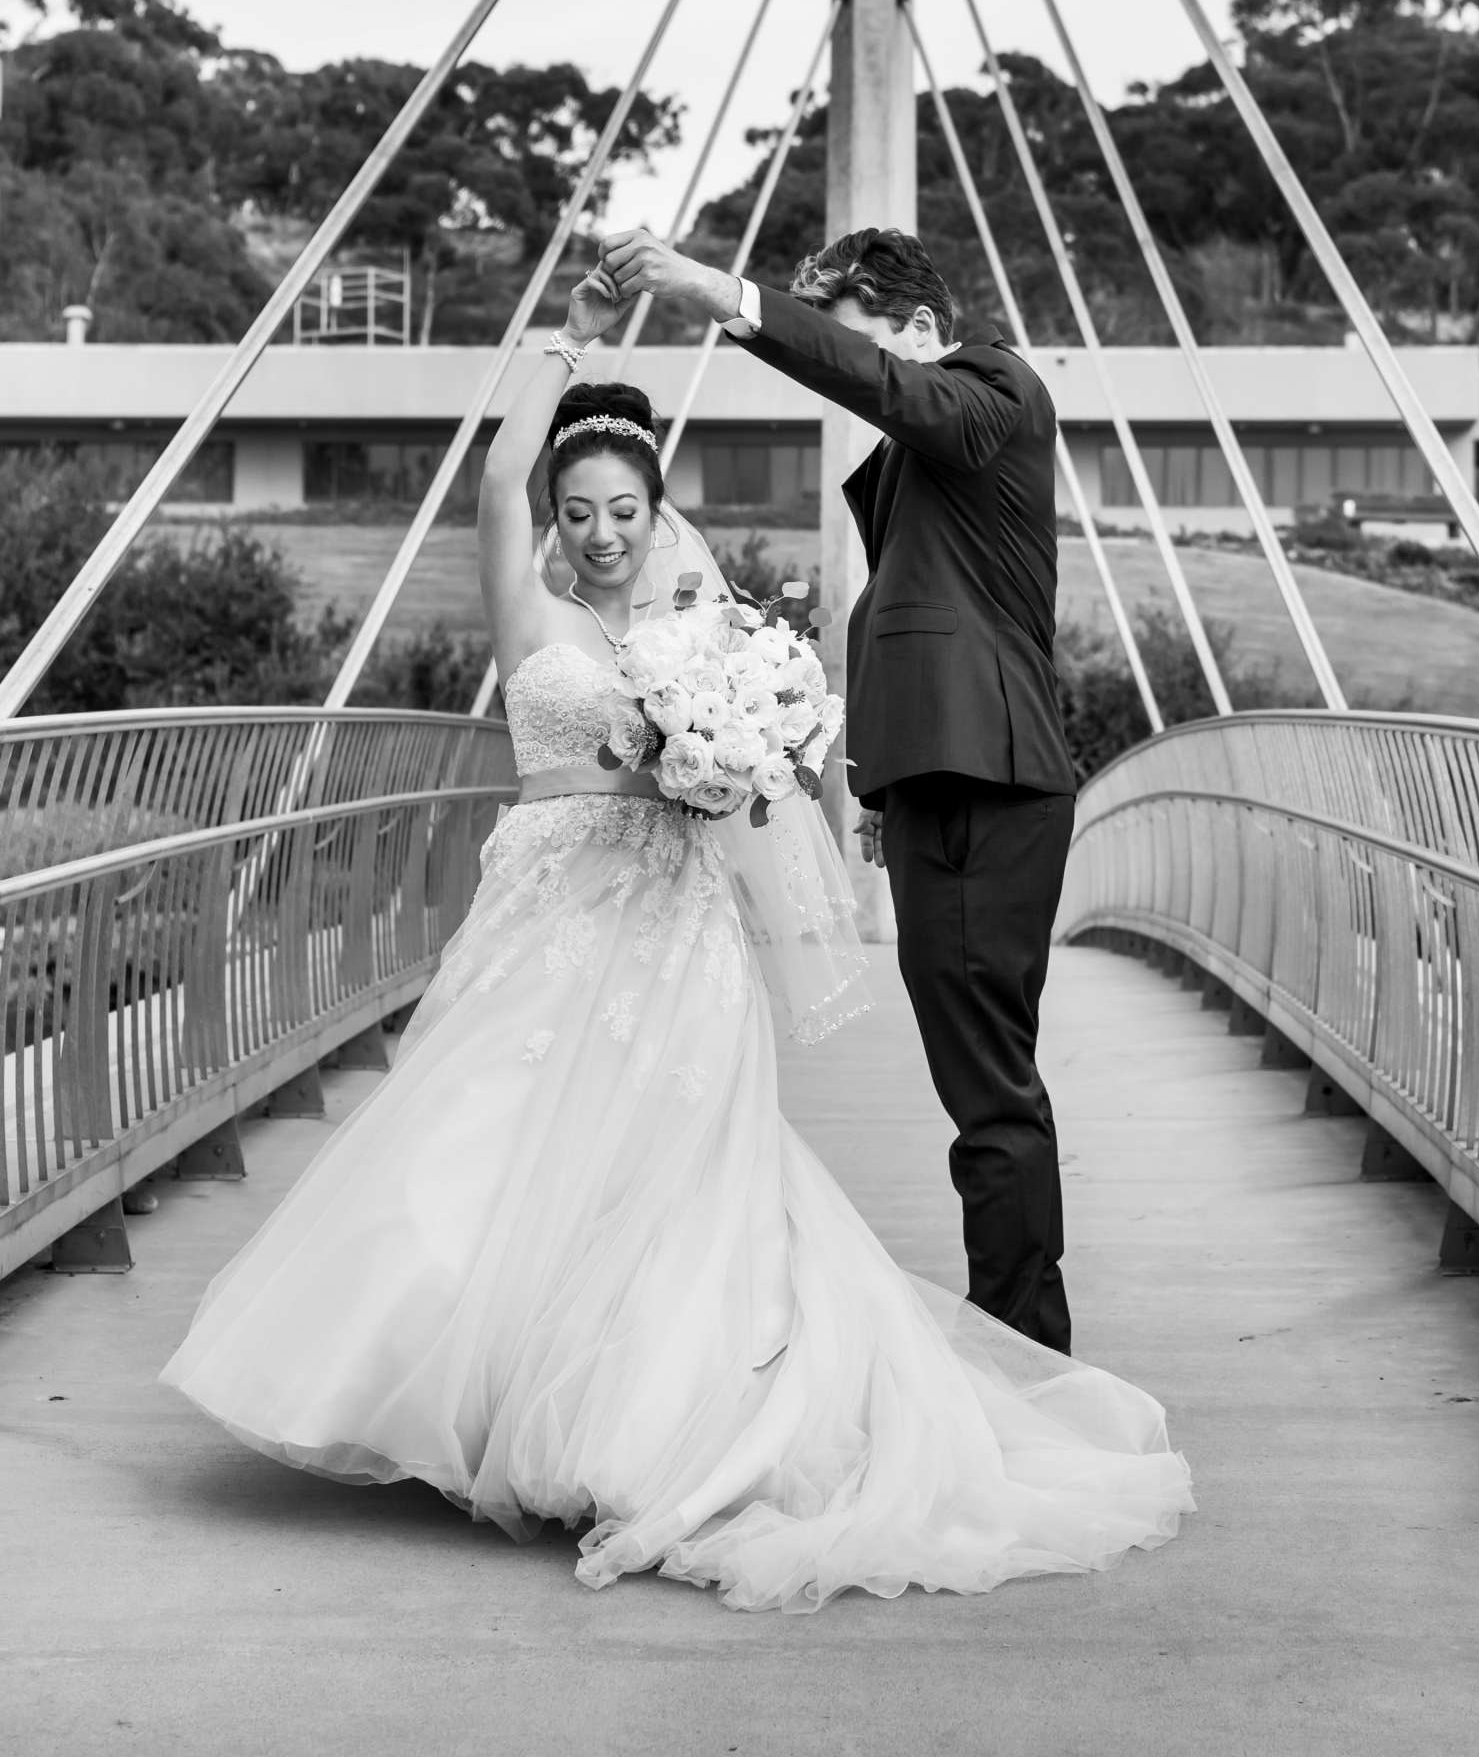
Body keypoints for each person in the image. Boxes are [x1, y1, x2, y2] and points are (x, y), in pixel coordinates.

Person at [162, 268, 1190, 1610]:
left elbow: (758, 747)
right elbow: (497, 484)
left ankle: (648, 1420)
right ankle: (465, 1397)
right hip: (548, 904)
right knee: (490, 1145)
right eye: (578, 512)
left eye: (623, 512)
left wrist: (722, 763)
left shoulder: (744, 588)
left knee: (681, 1169)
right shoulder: (531, 608)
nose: (599, 531)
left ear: (657, 518)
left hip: (676, 911)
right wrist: (561, 349)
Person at [602, 224, 1078, 1354]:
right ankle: (1019, 1334)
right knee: (977, 1074)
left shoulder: (994, 389)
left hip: (987, 778)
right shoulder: (927, 464)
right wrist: (874, 787)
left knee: (988, 1088)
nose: (843, 360)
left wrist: (720, 294)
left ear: (918, 331)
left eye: (855, 333)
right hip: (942, 780)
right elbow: (913, 616)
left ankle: (1025, 1351)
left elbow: (868, 378)